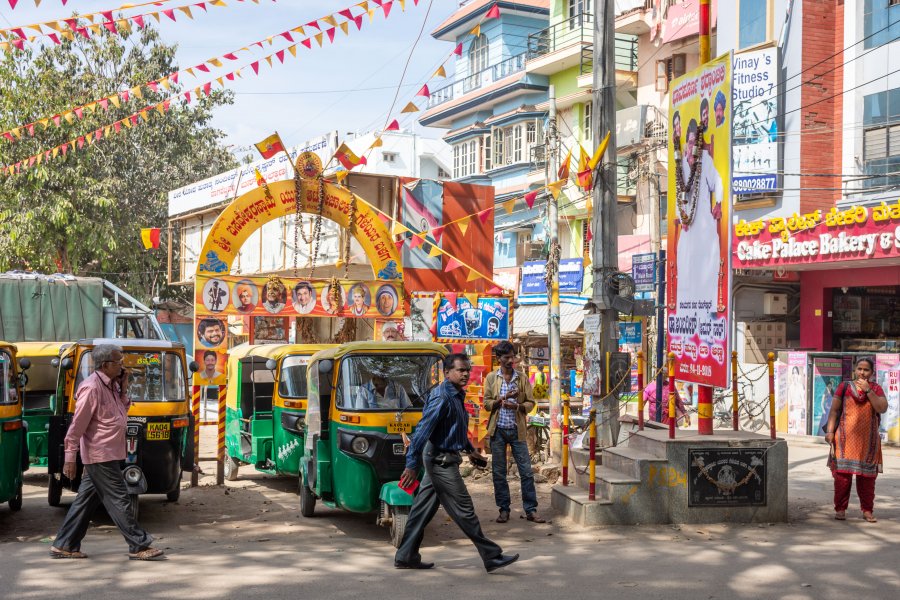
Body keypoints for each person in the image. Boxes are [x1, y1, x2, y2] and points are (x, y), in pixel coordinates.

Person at [395, 353, 518, 573]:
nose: (465, 374)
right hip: (439, 461)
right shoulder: (443, 397)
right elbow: (422, 431)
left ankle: (405, 556)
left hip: (442, 456)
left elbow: (453, 429)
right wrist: (411, 464)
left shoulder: (456, 395)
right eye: (460, 370)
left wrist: (471, 450)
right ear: (447, 372)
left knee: (421, 510)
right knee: (464, 509)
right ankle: (491, 556)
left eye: (467, 370)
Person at [49, 344, 164, 561]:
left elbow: (122, 412)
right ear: (105, 365)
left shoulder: (112, 385)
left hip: (109, 452)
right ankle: (138, 545)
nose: (122, 365)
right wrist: (70, 458)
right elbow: (76, 428)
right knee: (120, 499)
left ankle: (64, 544)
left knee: (85, 501)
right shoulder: (91, 388)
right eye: (118, 362)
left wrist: (124, 386)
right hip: (100, 454)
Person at [483, 341, 544, 523]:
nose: (511, 360)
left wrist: (517, 406)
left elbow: (531, 402)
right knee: (499, 473)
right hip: (498, 431)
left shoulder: (522, 378)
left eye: (513, 357)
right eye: (507, 357)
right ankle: (504, 510)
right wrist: (503, 399)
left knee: (526, 472)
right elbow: (486, 404)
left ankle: (531, 510)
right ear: (499, 358)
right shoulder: (492, 378)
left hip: (518, 431)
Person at [825, 358, 887, 523]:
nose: (862, 372)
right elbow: (834, 410)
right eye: (859, 369)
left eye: (866, 370)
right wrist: (830, 431)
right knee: (842, 479)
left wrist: (868, 391)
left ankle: (867, 510)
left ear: (872, 373)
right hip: (844, 440)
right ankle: (840, 509)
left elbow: (882, 408)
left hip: (869, 443)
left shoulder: (876, 388)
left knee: (867, 479)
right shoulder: (844, 387)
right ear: (854, 370)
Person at [674, 118, 723, 319]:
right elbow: (679, 196)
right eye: (689, 141)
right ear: (686, 143)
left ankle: (710, 308)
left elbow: (718, 182)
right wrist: (682, 217)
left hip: (703, 221)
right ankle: (685, 311)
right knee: (683, 258)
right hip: (687, 225)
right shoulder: (680, 164)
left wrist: (718, 203)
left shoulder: (704, 160)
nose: (692, 145)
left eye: (695, 141)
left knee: (709, 257)